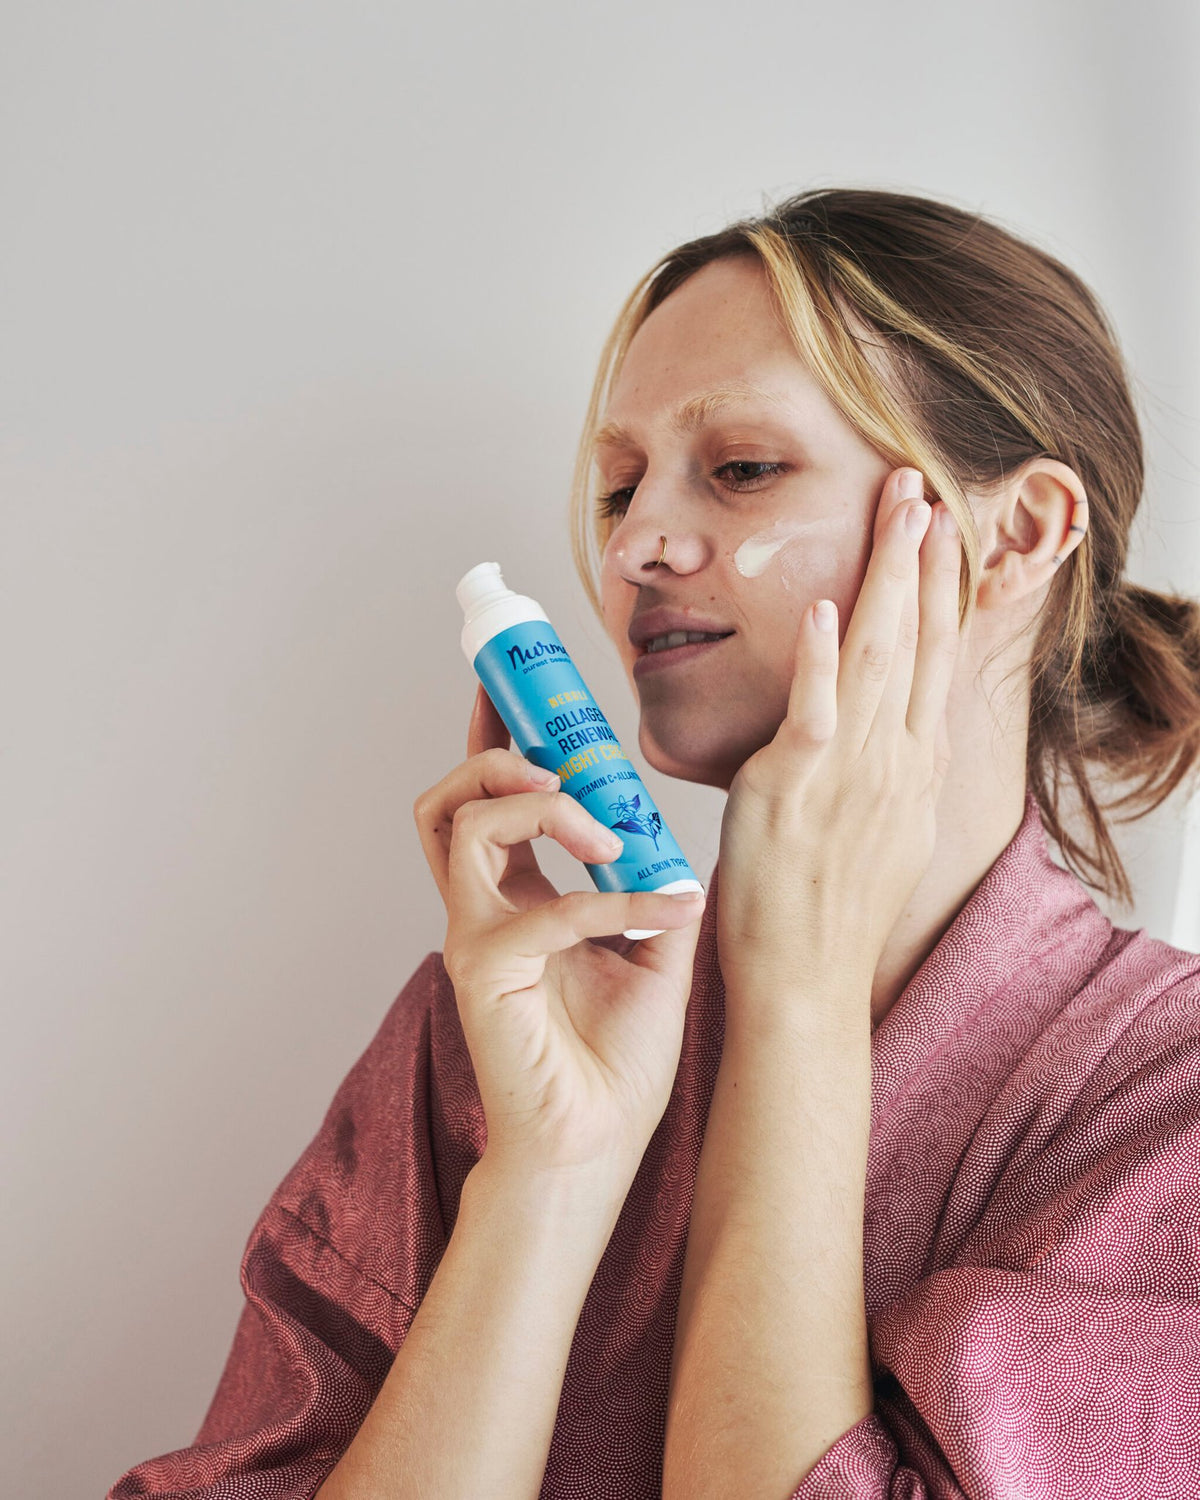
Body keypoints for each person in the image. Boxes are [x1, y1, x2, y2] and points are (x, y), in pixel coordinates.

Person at [108, 188, 1200, 1500]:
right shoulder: (502, 1017)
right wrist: (548, 1178)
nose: (632, 545)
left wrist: (796, 1004)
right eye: (620, 486)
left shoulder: (1166, 1110)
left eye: (740, 468)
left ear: (1016, 534)